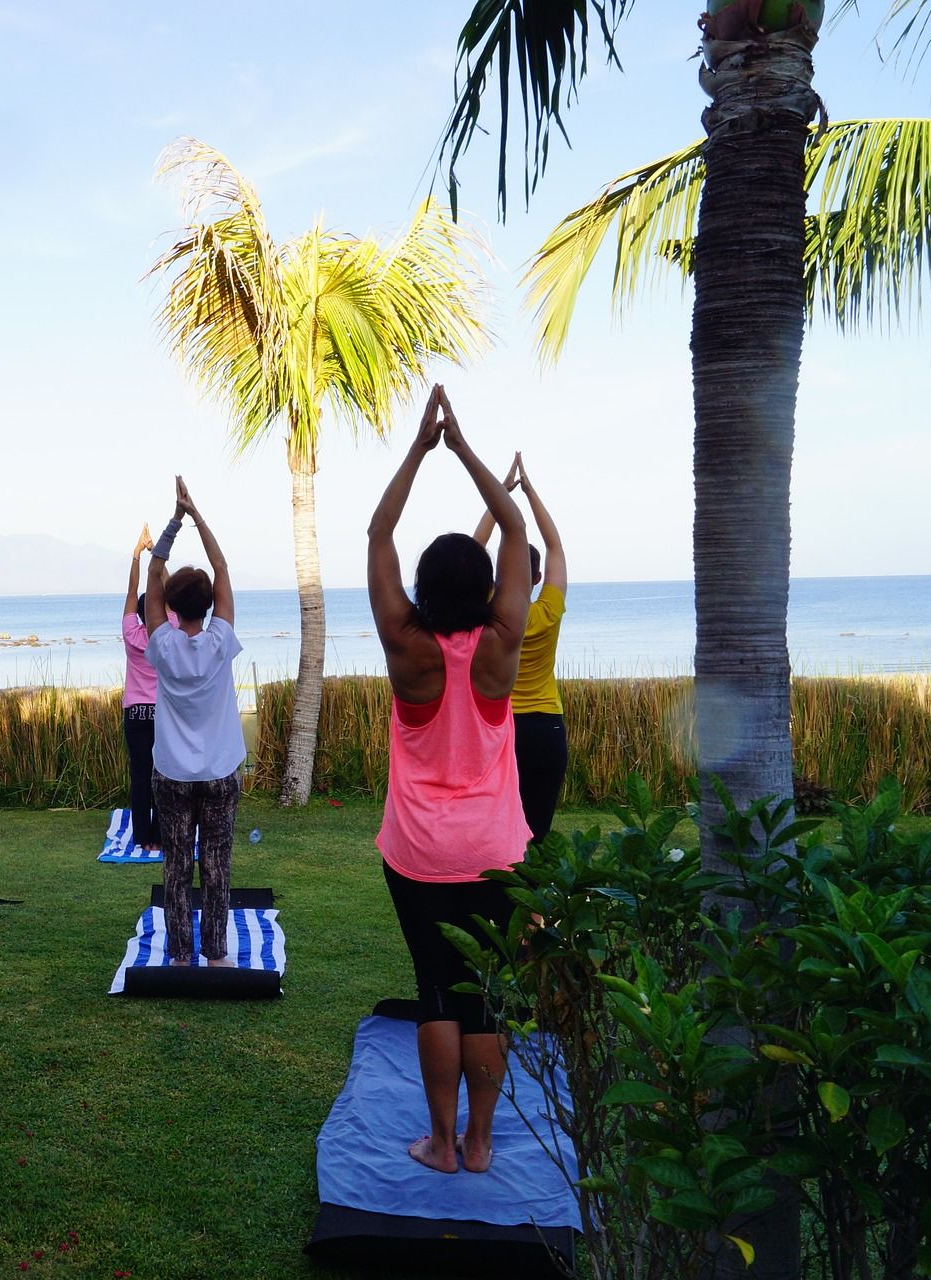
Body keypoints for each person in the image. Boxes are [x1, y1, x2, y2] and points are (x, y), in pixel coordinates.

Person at [367, 385, 532, 1176]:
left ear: (428, 591)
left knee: (436, 988)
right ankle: (480, 1143)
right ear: (488, 589)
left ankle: (439, 1140)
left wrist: (421, 447)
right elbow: (515, 527)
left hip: (420, 852)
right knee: (487, 995)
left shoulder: (407, 647)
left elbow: (378, 530)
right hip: (498, 850)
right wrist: (465, 449)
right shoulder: (503, 644)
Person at [144, 478, 244, 968]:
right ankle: (217, 954)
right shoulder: (221, 641)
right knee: (217, 865)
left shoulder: (161, 645)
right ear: (206, 607)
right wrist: (197, 514)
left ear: (170, 609)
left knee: (177, 865)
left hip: (173, 776)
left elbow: (154, 572)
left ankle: (181, 956)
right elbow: (221, 566)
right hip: (221, 773)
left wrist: (174, 521)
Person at [473, 453, 570, 841]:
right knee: (537, 833)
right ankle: (531, 901)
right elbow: (555, 547)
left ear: (498, 575)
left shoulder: (487, 611)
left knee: (497, 825)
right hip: (545, 727)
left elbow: (473, 548)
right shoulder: (547, 610)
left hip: (499, 727)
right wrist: (529, 492)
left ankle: (494, 898)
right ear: (536, 577)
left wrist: (501, 496)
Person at [120, 523, 163, 852]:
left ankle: (142, 837)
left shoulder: (133, 636)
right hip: (163, 714)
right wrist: (156, 555)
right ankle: (160, 838)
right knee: (163, 774)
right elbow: (172, 587)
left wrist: (136, 555)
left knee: (140, 776)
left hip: (136, 713)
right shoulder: (168, 634)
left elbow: (132, 597)